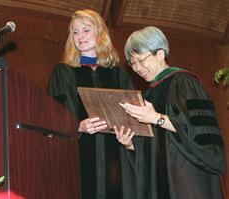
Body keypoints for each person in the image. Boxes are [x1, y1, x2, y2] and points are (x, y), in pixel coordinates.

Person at [113, 26, 226, 199]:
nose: (137, 68)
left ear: (160, 53)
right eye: (132, 63)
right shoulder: (148, 94)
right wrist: (131, 145)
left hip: (188, 176)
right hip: (162, 178)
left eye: (141, 60)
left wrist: (157, 118)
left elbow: (201, 134)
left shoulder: (184, 82)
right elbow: (157, 144)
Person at [47, 9, 134, 199]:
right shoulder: (64, 73)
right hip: (77, 159)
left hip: (117, 161)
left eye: (86, 30)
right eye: (75, 32)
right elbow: (53, 117)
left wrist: (128, 138)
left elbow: (133, 119)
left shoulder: (118, 75)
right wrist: (77, 126)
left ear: (100, 33)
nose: (80, 37)